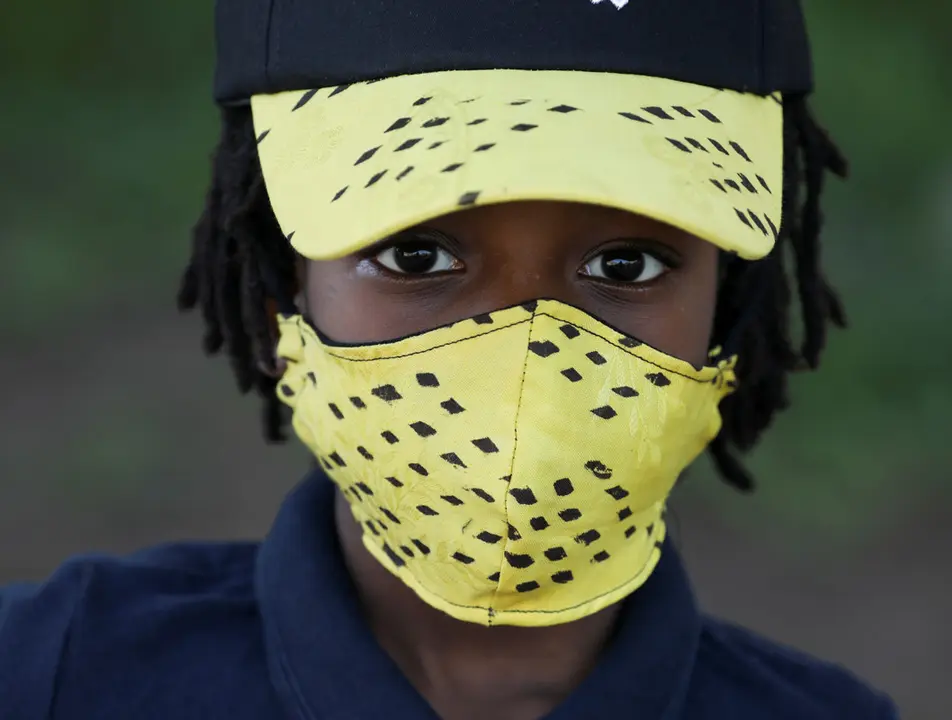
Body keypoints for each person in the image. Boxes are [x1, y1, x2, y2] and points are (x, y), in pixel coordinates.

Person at [0, 1, 900, 718]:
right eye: (417, 256)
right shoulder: (50, 674)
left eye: (624, 265)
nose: (525, 352)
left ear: (729, 306)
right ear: (280, 284)